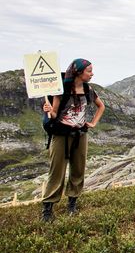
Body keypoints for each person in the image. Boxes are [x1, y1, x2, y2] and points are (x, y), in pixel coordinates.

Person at [40, 58, 105, 222]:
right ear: (78, 72)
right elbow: (54, 114)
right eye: (89, 71)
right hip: (61, 135)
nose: (92, 74)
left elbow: (101, 106)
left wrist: (93, 123)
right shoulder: (60, 89)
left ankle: (72, 204)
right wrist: (48, 110)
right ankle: (47, 209)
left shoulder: (87, 89)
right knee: (56, 171)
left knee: (78, 170)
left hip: (80, 135)